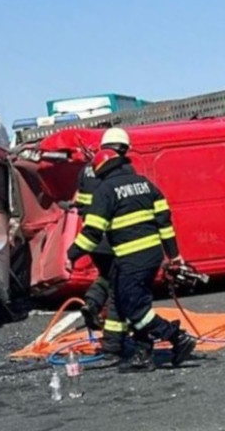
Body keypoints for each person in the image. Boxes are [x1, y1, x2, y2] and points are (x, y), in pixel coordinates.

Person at [65, 147, 197, 372]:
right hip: (152, 256)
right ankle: (143, 356)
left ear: (101, 172)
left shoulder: (105, 190)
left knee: (133, 309)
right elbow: (164, 222)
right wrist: (174, 255)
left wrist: (71, 255)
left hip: (130, 258)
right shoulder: (145, 184)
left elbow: (93, 233)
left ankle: (176, 337)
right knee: (139, 303)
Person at [67, 128, 132, 360]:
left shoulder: (86, 170)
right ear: (122, 148)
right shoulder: (122, 168)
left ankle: (92, 304)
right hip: (114, 237)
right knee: (118, 291)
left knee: (106, 275)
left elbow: (83, 204)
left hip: (93, 238)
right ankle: (114, 343)